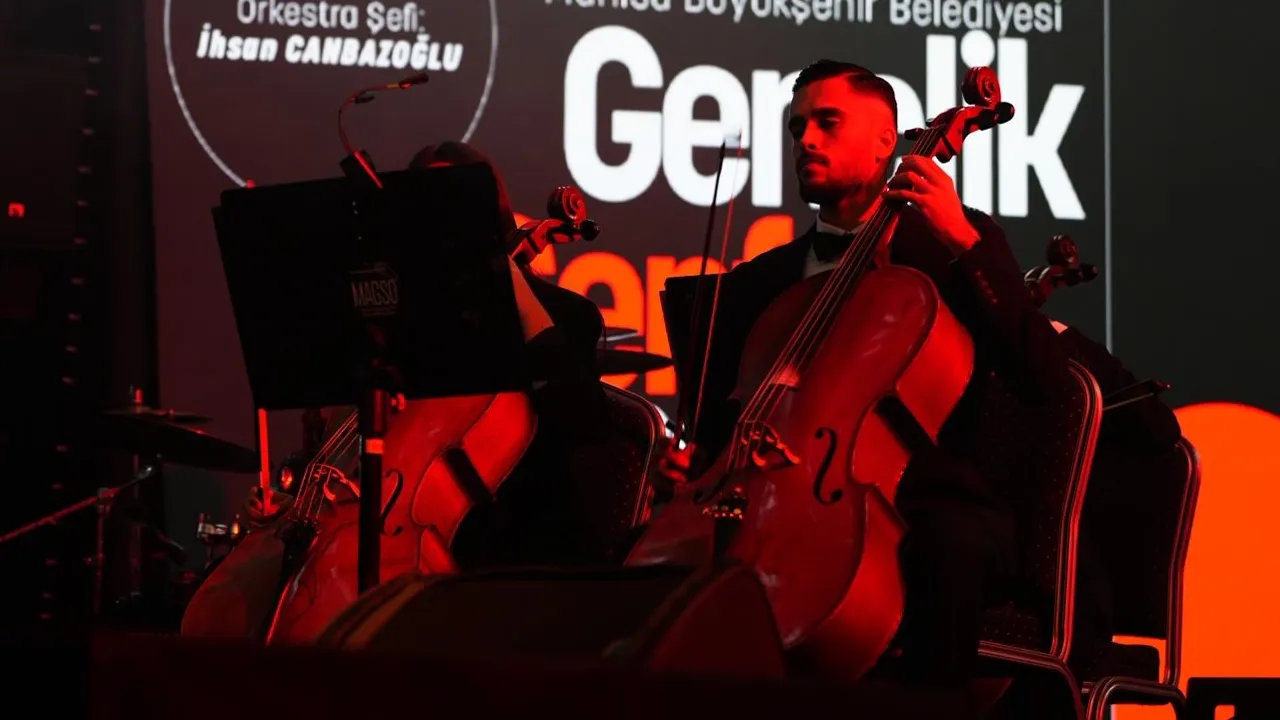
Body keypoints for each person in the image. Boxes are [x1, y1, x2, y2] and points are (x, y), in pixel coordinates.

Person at [660, 60, 1073, 701]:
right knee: (661, 562)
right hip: (771, 498)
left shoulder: (953, 246)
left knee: (948, 551)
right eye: (797, 127)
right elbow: (725, 420)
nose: (806, 140)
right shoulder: (757, 282)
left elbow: (1042, 378)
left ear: (887, 142)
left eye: (827, 123)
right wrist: (694, 464)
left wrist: (963, 239)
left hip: (926, 499)